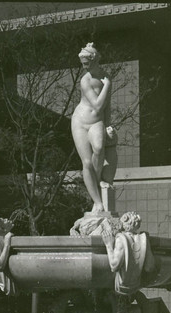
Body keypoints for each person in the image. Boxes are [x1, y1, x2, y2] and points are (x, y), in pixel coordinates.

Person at [71, 42, 113, 213]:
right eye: (82, 63)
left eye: (86, 62)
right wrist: (108, 85)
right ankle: (97, 201)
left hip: (97, 122)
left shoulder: (104, 76)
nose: (84, 65)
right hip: (80, 122)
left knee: (98, 148)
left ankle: (95, 184)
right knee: (87, 163)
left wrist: (108, 125)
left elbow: (107, 105)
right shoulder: (85, 80)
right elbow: (97, 105)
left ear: (94, 59)